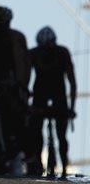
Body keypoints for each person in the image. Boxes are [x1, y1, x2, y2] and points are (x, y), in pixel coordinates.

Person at [0, 5, 30, 175]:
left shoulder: (15, 38)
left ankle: (20, 151)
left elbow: (22, 64)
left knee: (17, 110)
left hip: (8, 77)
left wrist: (22, 86)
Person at [27, 26, 76, 178]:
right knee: (36, 130)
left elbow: (72, 81)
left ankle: (64, 164)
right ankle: (37, 162)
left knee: (61, 135)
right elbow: (25, 75)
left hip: (57, 96)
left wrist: (71, 108)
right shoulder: (34, 54)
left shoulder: (62, 53)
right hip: (42, 95)